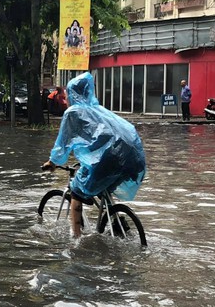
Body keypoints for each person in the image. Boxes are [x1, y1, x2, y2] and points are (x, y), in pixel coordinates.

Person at [42, 72, 146, 238]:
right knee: (104, 183)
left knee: (76, 192)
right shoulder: (100, 110)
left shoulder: (73, 112)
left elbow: (62, 144)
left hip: (109, 157)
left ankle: (76, 239)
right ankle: (115, 218)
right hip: (133, 158)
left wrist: (53, 163)